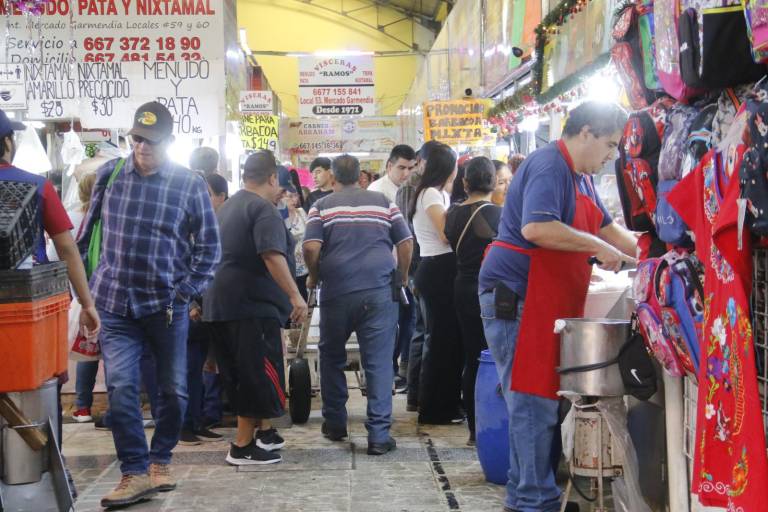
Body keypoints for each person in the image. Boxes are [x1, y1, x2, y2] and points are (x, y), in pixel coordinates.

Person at [478, 101, 637, 512]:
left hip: (545, 301)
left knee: (541, 401)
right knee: (533, 402)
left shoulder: (580, 177)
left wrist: (655, 257)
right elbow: (538, 227)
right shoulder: (550, 164)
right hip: (519, 296)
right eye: (609, 145)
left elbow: (610, 230)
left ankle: (526, 496)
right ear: (585, 132)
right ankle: (534, 501)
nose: (610, 156)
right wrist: (599, 247)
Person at [77, 101, 221, 509]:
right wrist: (88, 291)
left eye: (152, 142)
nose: (143, 148)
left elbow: (210, 247)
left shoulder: (188, 183)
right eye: (137, 139)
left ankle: (161, 459)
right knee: (122, 387)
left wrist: (186, 291)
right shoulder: (111, 173)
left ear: (170, 142)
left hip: (166, 306)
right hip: (115, 304)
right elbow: (88, 236)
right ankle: (134, 471)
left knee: (173, 392)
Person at [303, 154, 413, 455]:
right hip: (379, 291)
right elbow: (406, 243)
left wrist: (315, 276)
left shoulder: (321, 206)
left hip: (337, 291)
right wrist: (402, 276)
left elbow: (311, 247)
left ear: (334, 179)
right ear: (360, 178)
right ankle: (378, 436)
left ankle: (335, 424)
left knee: (331, 356)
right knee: (378, 362)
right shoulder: (382, 202)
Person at [204, 150, 307, 466]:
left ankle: (258, 435)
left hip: (221, 304)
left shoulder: (229, 205)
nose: (283, 191)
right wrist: (295, 296)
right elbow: (272, 256)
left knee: (239, 374)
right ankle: (242, 447)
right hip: (249, 306)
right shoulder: (263, 209)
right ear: (272, 177)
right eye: (281, 183)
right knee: (253, 374)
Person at [0, 109, 100, 344]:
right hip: (30, 301)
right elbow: (66, 248)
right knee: (35, 373)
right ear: (7, 141)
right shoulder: (38, 186)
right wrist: (86, 303)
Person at [444, 157, 502, 445]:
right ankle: (493, 425)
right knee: (494, 357)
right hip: (490, 291)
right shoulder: (496, 214)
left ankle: (474, 430)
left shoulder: (452, 214)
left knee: (472, 358)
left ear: (465, 183)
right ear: (493, 182)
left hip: (462, 286)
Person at [409, 143, 464, 425]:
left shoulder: (438, 193)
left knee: (446, 342)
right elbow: (446, 235)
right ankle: (434, 409)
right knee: (441, 343)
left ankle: (445, 404)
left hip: (439, 269)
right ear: (448, 167)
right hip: (437, 269)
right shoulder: (431, 193)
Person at [180, 172, 229, 445]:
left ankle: (197, 421)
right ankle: (185, 425)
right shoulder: (184, 226)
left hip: (204, 309)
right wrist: (189, 303)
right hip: (187, 309)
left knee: (200, 370)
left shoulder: (205, 228)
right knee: (187, 371)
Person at [395, 140, 442, 411]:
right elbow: (405, 236)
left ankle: (415, 393)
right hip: (418, 265)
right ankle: (416, 393)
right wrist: (409, 274)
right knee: (422, 331)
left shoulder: (424, 188)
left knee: (420, 330)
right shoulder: (415, 189)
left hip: (418, 265)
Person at [368, 144, 418, 387]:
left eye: (411, 167)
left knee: (410, 319)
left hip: (407, 268)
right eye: (401, 167)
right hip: (386, 269)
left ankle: (402, 368)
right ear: (389, 166)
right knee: (391, 322)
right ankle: (388, 369)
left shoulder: (414, 190)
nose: (406, 173)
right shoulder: (377, 192)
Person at [285, 189, 309, 301]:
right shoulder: (278, 215)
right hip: (286, 265)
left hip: (303, 265)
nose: (294, 200)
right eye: (290, 196)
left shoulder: (301, 212)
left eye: (295, 196)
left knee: (303, 294)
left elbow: (309, 235)